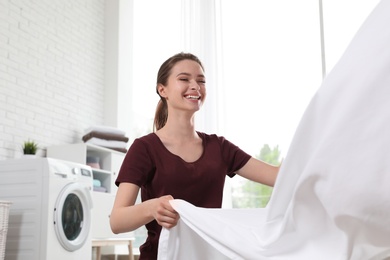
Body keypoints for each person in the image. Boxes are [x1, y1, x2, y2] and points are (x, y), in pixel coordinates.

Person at [110, 52, 280, 260]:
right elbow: (117, 221)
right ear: (162, 89)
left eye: (201, 81)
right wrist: (153, 207)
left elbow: (279, 177)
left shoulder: (220, 148)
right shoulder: (144, 148)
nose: (195, 86)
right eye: (184, 79)